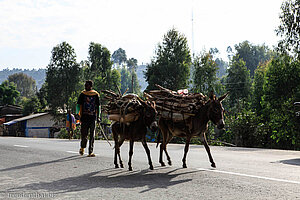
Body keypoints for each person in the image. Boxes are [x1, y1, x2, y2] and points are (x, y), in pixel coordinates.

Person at [76, 80, 100, 157]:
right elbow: (78, 105)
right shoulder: (82, 94)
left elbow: (98, 106)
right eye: (85, 85)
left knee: (92, 135)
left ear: (91, 86)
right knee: (84, 135)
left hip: (93, 117)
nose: (85, 87)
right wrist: (77, 113)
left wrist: (98, 116)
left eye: (87, 85)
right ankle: (82, 147)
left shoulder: (96, 95)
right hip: (84, 117)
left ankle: (90, 152)